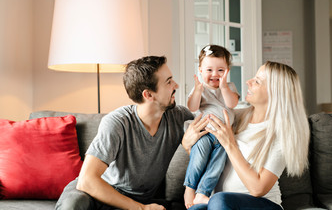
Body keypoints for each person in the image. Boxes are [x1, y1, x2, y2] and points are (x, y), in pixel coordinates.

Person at [55, 56, 207, 210]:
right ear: (148, 95)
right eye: (168, 82)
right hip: (93, 195)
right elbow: (87, 181)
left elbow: (210, 134)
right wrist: (141, 208)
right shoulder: (117, 122)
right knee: (73, 204)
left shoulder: (178, 117)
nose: (177, 85)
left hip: (132, 203)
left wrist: (188, 147)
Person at [186, 61, 310, 210]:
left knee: (219, 200)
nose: (248, 82)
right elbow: (208, 158)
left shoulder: (282, 133)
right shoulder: (235, 118)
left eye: (257, 81)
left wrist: (230, 144)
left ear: (274, 92)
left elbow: (258, 189)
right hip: (221, 204)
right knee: (196, 209)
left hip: (262, 204)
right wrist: (187, 143)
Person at [183, 45, 240, 208]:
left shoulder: (230, 88)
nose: (215, 74)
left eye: (220, 70)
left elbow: (232, 103)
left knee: (217, 165)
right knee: (198, 159)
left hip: (223, 137)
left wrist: (223, 87)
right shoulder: (200, 89)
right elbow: (192, 107)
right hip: (204, 133)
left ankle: (202, 193)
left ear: (227, 71)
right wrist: (197, 91)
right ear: (200, 70)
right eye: (209, 70)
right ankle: (189, 188)